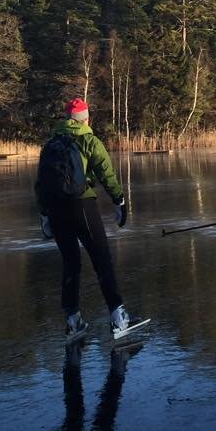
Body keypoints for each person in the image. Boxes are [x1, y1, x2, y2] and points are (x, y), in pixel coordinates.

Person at [36, 98, 146, 343]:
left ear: (66, 119)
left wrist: (44, 214)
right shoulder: (88, 140)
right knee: (102, 259)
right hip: (82, 205)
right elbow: (105, 172)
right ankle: (119, 317)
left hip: (55, 209)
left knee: (70, 263)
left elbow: (40, 183)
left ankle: (73, 322)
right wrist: (119, 200)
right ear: (85, 119)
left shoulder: (50, 144)